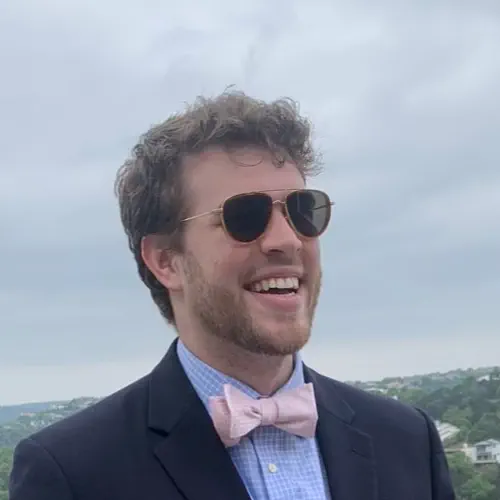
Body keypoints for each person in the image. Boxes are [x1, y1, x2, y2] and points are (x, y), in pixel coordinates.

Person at [9, 91, 456, 500]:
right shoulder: (72, 475)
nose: (287, 240)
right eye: (245, 216)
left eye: (303, 210)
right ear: (165, 260)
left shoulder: (407, 440)